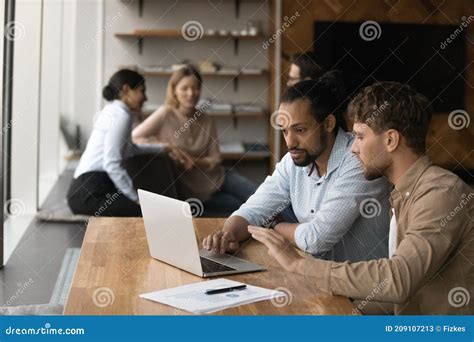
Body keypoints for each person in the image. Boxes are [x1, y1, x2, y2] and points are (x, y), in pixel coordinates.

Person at [248, 81, 474, 315]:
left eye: (360, 137)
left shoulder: (440, 193)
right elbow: (403, 297)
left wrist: (299, 264)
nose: (353, 148)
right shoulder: (403, 192)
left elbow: (399, 279)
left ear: (390, 140)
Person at [203, 72, 391, 262]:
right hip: (316, 277)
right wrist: (227, 235)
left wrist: (273, 227)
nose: (290, 142)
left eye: (300, 130)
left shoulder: (358, 160)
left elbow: (316, 238)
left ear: (328, 123)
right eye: (285, 131)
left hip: (359, 288)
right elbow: (254, 209)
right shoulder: (295, 160)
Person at [132, 65, 256, 215]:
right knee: (243, 209)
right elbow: (134, 138)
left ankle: (289, 229)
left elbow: (216, 159)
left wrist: (194, 161)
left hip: (219, 177)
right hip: (191, 191)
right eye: (184, 88)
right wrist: (168, 147)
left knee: (260, 198)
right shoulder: (165, 113)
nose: (191, 93)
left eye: (196, 88)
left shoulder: (206, 118)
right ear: (174, 90)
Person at [67, 69, 165, 216]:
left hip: (88, 187)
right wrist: (136, 199)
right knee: (147, 214)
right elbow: (111, 163)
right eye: (141, 91)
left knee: (150, 210)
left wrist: (163, 148)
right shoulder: (120, 115)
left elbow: (130, 149)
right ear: (126, 90)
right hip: (90, 191)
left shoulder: (115, 111)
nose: (145, 98)